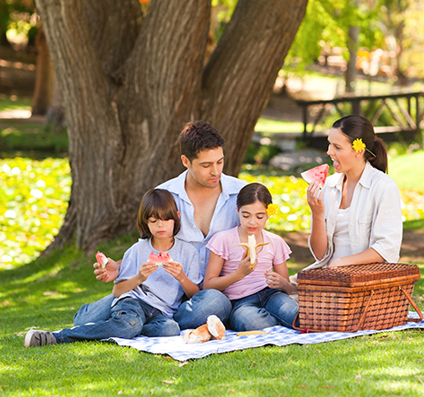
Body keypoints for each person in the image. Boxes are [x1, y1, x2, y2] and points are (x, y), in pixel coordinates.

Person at [73, 121, 247, 329]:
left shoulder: (241, 194)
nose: (216, 172)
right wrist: (119, 266)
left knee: (216, 302)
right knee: (83, 321)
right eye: (206, 165)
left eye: (220, 162)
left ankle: (156, 322)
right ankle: (156, 320)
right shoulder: (165, 194)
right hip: (159, 289)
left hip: (207, 293)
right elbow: (150, 246)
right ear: (186, 161)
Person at [25, 189, 202, 347]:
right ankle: (59, 337)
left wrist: (181, 277)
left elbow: (195, 294)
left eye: (166, 219)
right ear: (146, 222)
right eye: (154, 220)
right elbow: (117, 291)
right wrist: (139, 278)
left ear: (177, 217)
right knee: (128, 325)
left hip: (162, 313)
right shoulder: (137, 250)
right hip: (134, 302)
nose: (160, 225)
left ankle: (130, 327)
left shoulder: (189, 252)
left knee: (170, 329)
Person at [306, 115, 402, 269]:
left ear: (358, 151)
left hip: (364, 280)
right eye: (329, 144)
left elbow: (388, 247)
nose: (329, 152)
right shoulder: (329, 185)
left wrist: (343, 262)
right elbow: (320, 255)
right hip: (327, 276)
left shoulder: (383, 186)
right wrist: (317, 213)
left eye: (337, 147)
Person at [204, 183, 299, 331]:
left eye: (259, 216)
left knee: (297, 316)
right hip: (240, 302)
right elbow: (208, 285)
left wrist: (281, 283)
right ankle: (275, 321)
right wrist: (238, 274)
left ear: (268, 214)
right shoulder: (223, 239)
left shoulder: (275, 241)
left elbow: (288, 289)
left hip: (271, 294)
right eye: (246, 215)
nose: (251, 222)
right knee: (254, 324)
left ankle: (279, 319)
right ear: (237, 211)